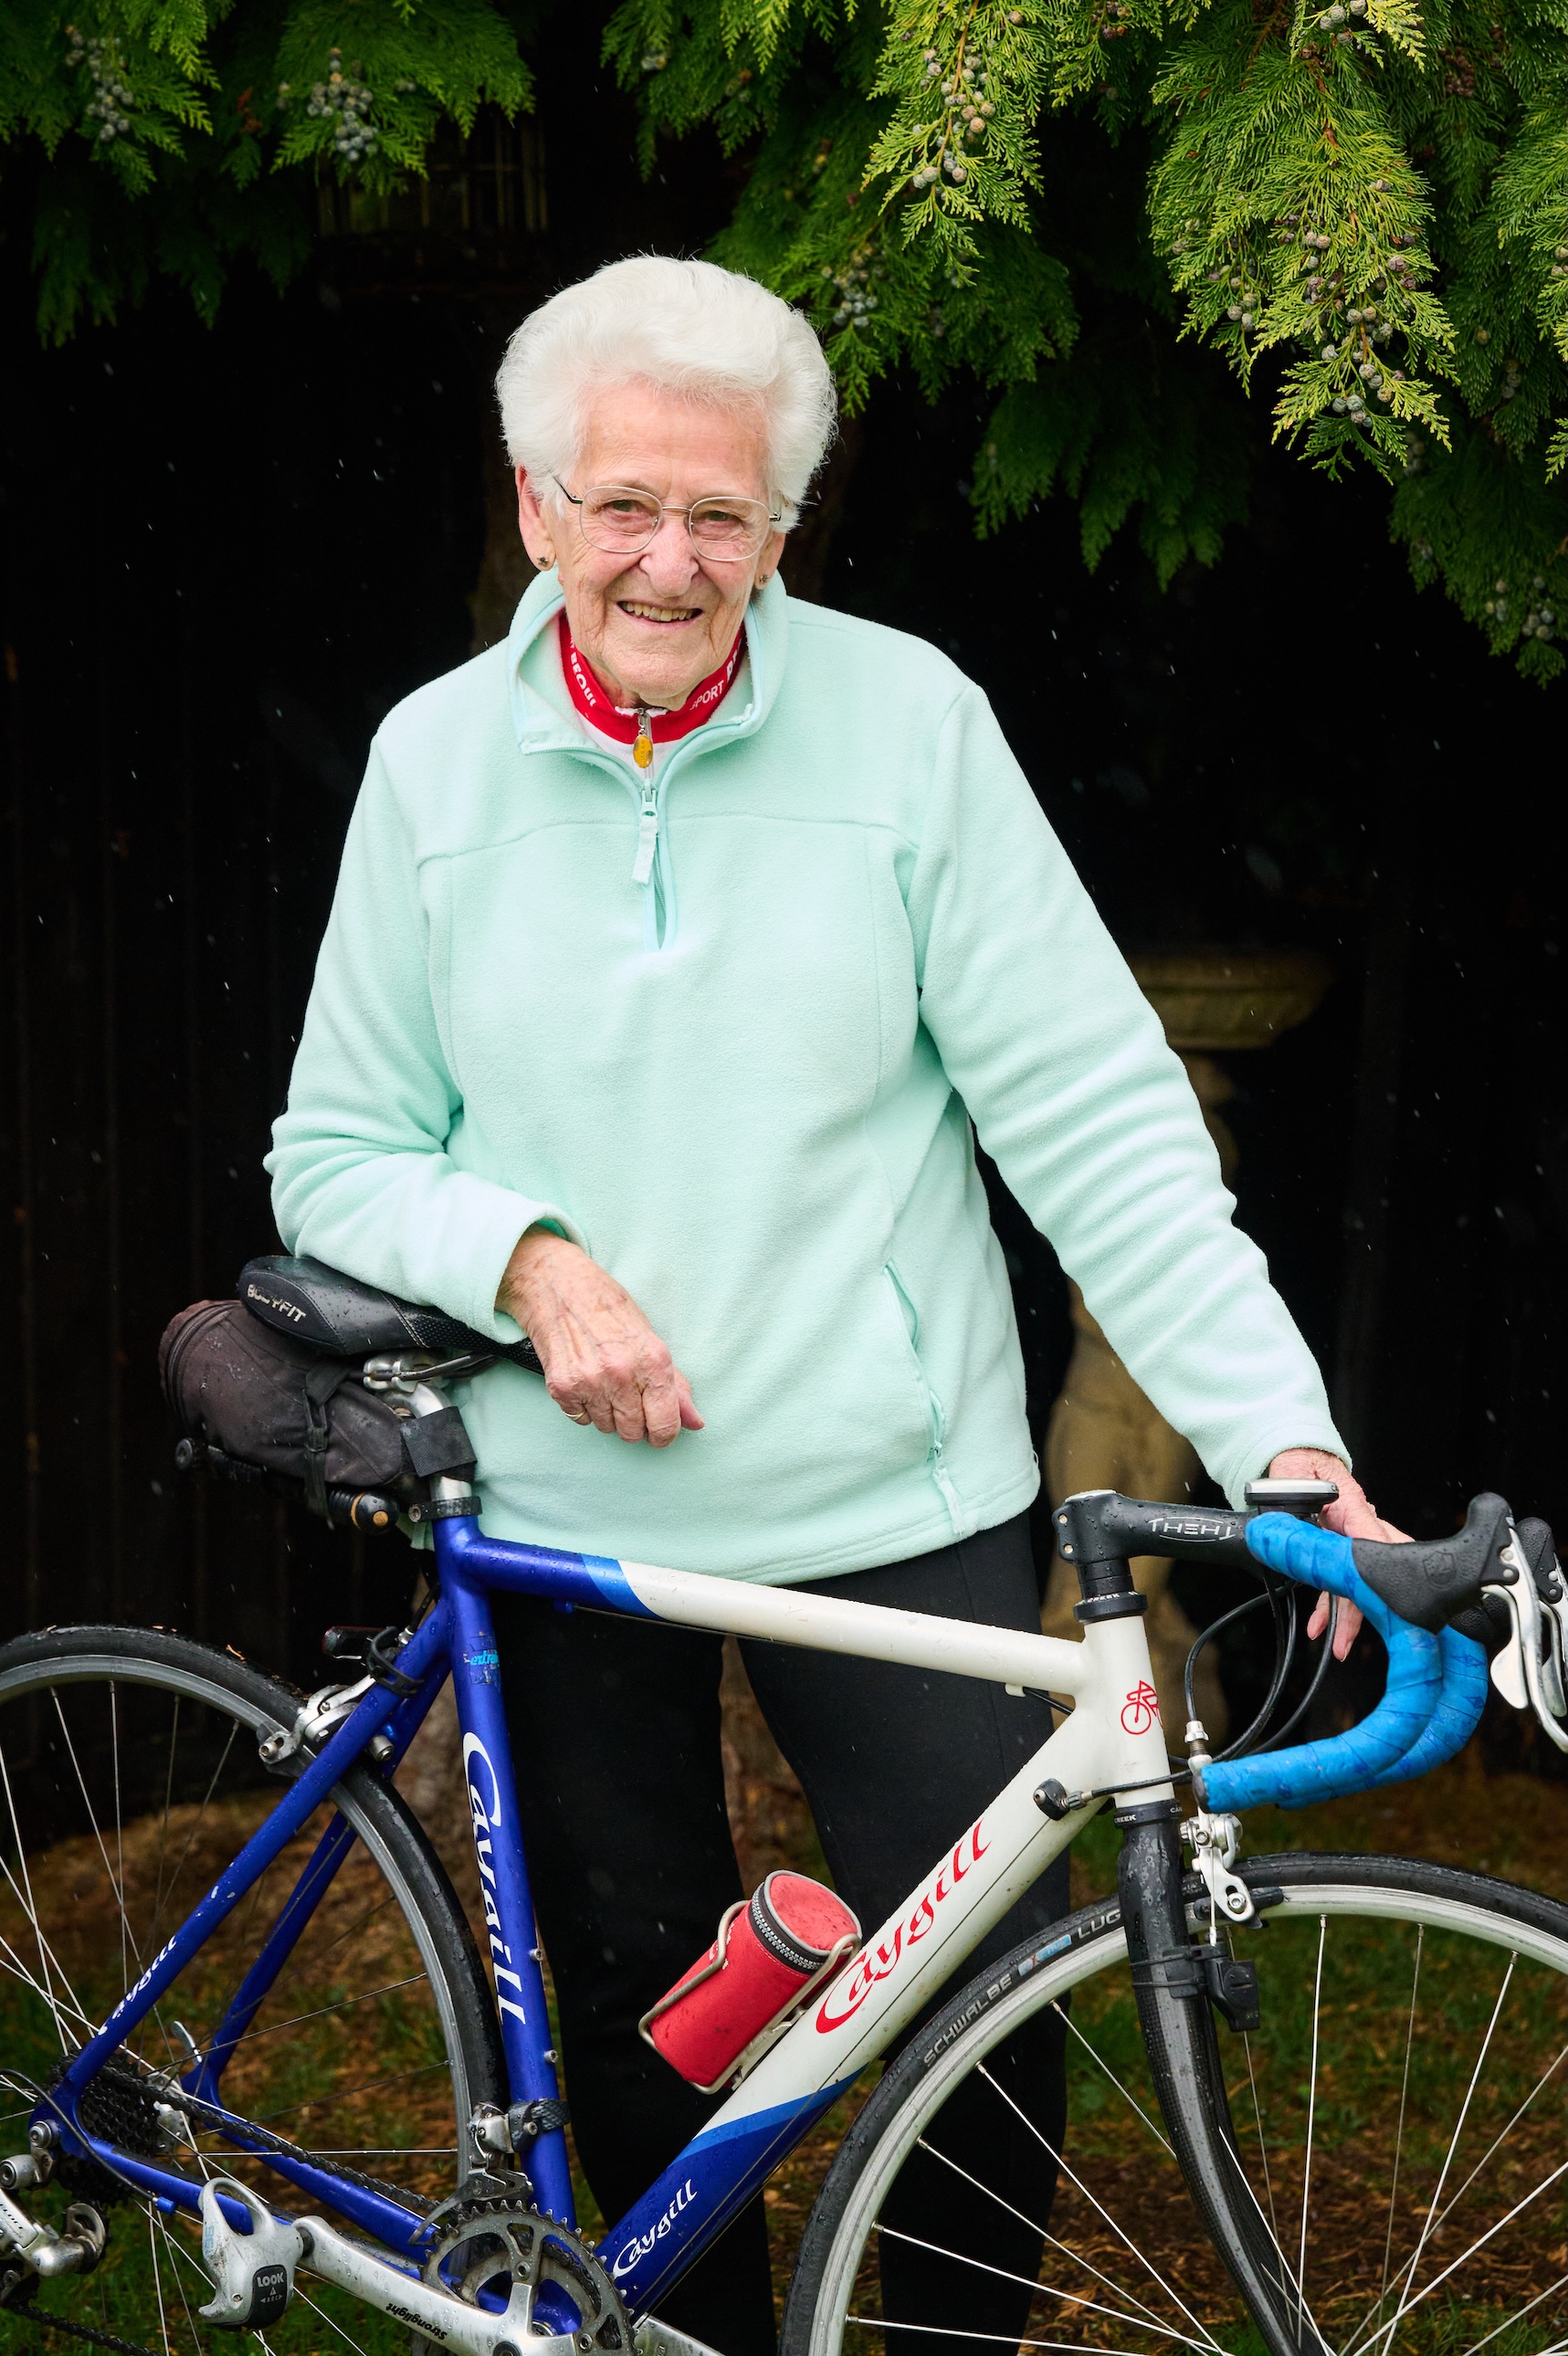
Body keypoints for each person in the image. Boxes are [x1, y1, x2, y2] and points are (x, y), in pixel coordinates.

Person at [268, 254, 1404, 2353]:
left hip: (898, 1498)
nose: (666, 561)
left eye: (719, 514)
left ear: (780, 531)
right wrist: (528, 1261)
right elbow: (335, 1149)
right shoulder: (430, 769)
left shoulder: (908, 731)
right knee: (628, 2022)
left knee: (983, 2012)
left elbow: (1092, 1116)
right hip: (570, 1513)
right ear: (537, 511)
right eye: (620, 506)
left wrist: (1284, 1441)